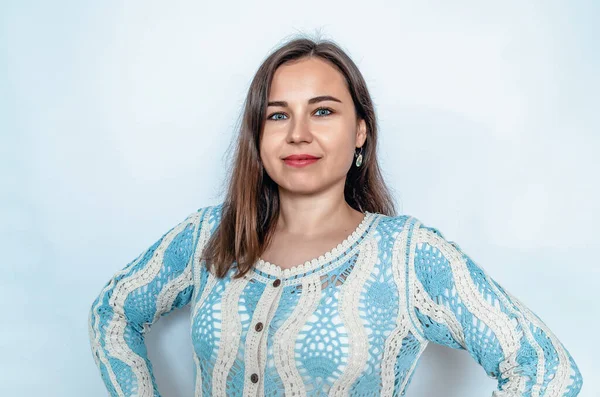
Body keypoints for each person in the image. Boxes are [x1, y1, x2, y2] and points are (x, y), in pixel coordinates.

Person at [87, 36, 583, 397]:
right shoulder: (212, 236)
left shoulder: (409, 258)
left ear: (361, 131)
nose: (298, 134)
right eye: (278, 115)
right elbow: (112, 311)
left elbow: (545, 371)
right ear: (257, 137)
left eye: (322, 111)